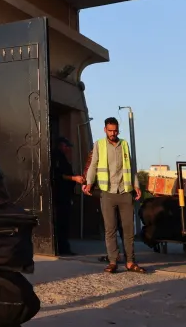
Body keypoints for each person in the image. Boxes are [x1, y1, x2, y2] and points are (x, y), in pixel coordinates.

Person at [83, 117, 144, 273]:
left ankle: (130, 262)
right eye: (110, 130)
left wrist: (136, 185)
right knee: (110, 229)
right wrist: (89, 182)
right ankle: (113, 261)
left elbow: (131, 167)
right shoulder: (99, 144)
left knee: (128, 229)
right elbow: (93, 165)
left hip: (125, 192)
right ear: (105, 130)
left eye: (115, 130)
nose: (113, 133)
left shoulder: (124, 144)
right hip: (107, 192)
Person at [51, 136, 84, 256]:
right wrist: (73, 178)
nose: (68, 149)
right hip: (60, 195)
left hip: (66, 194)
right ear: (60, 145)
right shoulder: (56, 157)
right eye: (66, 146)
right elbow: (57, 175)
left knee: (65, 222)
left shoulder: (62, 157)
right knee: (62, 222)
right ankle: (62, 248)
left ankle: (64, 247)